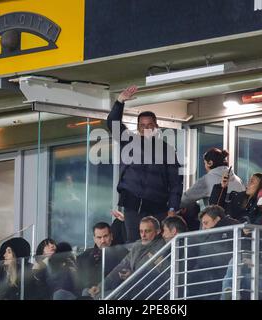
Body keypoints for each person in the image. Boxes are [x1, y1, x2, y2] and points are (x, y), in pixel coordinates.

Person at [107, 85, 183, 242]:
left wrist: (172, 208)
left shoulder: (167, 150)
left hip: (158, 207)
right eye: (142, 125)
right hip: (132, 205)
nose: (146, 128)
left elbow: (176, 182)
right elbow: (113, 124)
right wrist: (120, 101)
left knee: (156, 245)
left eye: (149, 125)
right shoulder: (128, 141)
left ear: (156, 127)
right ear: (137, 127)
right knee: (134, 245)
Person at [88, 216, 165, 298]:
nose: (143, 235)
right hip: (132, 289)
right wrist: (100, 287)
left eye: (147, 231)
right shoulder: (137, 246)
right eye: (141, 231)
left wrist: (133, 276)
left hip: (150, 292)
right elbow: (120, 267)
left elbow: (154, 276)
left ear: (158, 231)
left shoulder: (162, 248)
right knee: (90, 293)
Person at [189, 205, 239, 299]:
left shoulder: (232, 230)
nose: (203, 228)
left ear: (217, 220)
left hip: (217, 277)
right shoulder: (212, 234)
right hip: (209, 277)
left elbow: (222, 258)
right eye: (202, 224)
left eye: (206, 223)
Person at [180, 148, 245, 209]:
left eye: (205, 163)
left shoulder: (206, 180)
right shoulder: (238, 180)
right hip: (236, 219)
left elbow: (184, 200)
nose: (205, 166)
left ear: (210, 163)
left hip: (214, 218)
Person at [77, 222, 128, 297]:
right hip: (90, 291)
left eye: (105, 236)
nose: (103, 241)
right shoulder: (86, 255)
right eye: (99, 237)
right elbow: (80, 279)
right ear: (94, 239)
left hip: (112, 291)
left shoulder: (121, 252)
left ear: (111, 236)